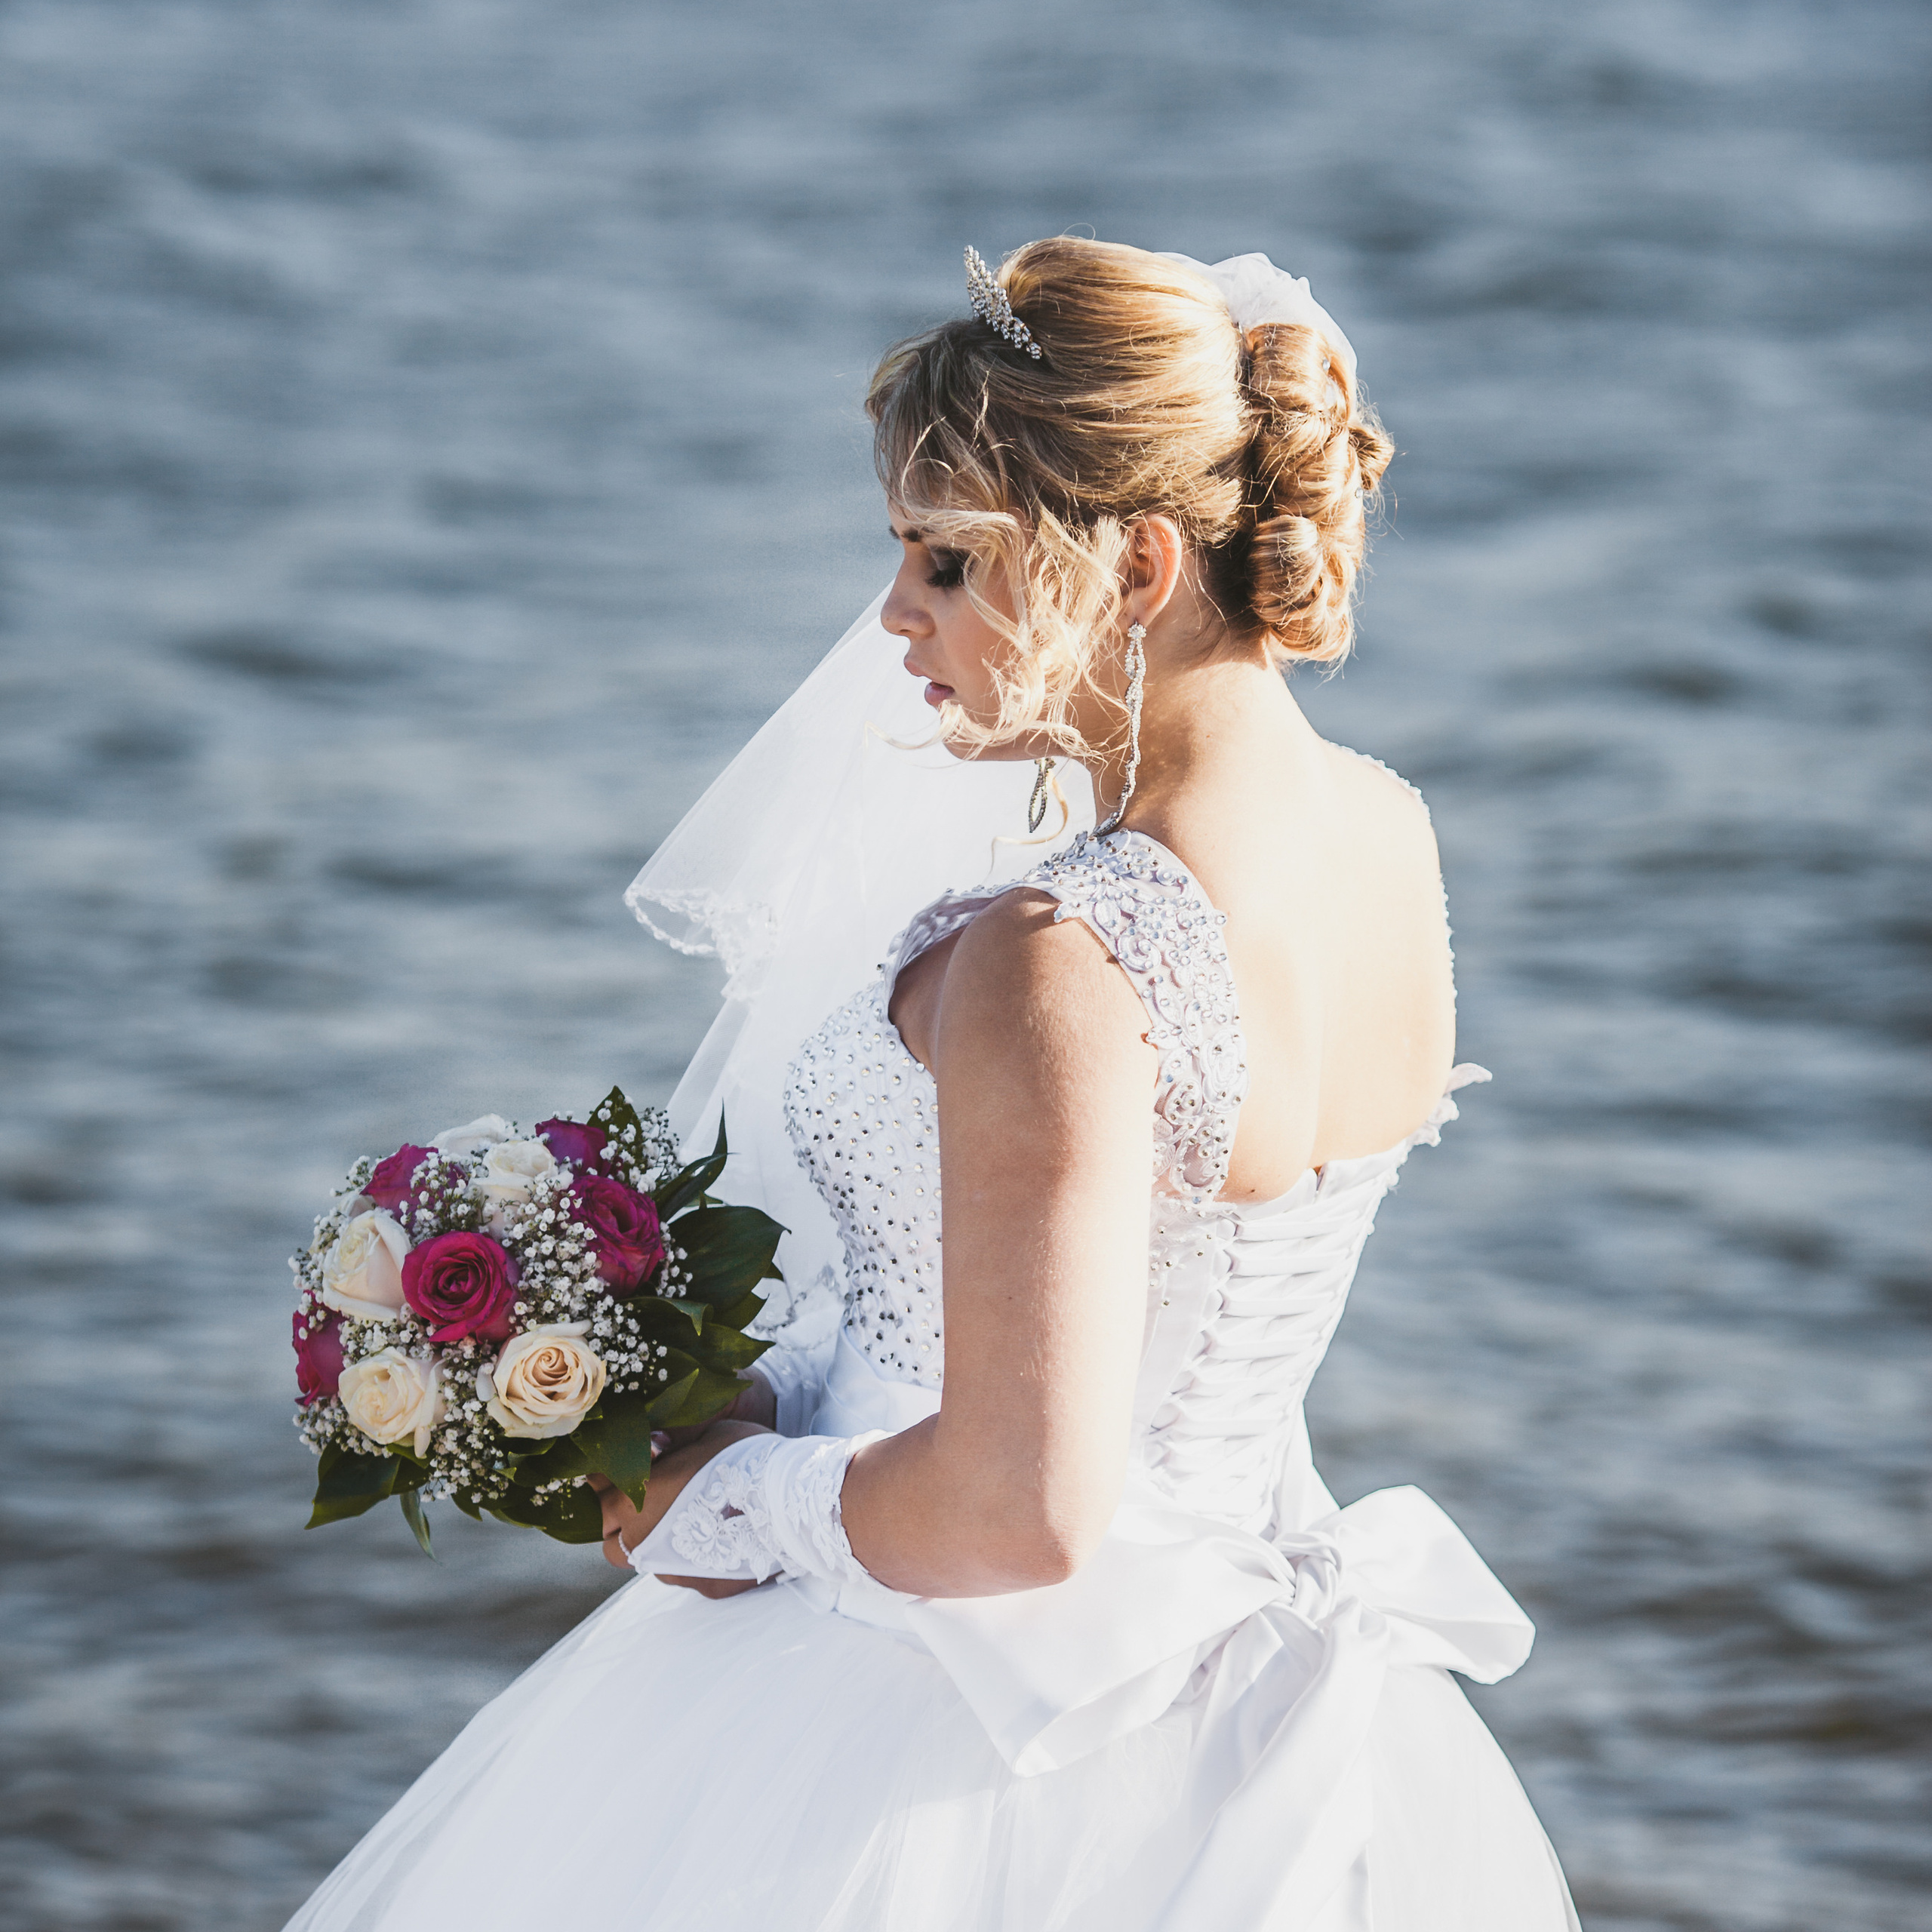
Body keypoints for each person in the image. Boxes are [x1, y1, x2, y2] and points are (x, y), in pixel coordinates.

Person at [287, 238, 1579, 1931]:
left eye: (948, 560)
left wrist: (727, 1496)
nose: (897, 612)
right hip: (1264, 1722)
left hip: (958, 1733)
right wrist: (770, 1379)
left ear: (1132, 565)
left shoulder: (1063, 952)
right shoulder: (1387, 834)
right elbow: (1140, 1312)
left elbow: (1023, 1508)